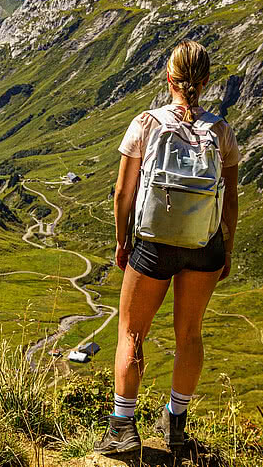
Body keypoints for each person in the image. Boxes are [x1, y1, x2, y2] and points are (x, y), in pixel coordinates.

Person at [94, 40, 241, 455]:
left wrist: (123, 241)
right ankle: (176, 425)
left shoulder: (145, 124)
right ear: (207, 81)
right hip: (204, 247)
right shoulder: (222, 132)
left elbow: (123, 192)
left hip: (152, 246)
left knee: (132, 333)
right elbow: (229, 201)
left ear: (168, 77)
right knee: (189, 334)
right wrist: (226, 248)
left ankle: (122, 426)